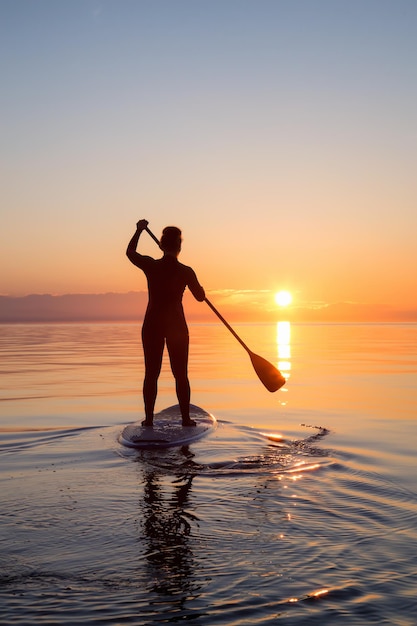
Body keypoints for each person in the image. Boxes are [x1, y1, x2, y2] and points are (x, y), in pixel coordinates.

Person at [126, 219, 205, 427]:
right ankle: (186, 420)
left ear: (162, 245)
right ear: (179, 246)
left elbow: (130, 252)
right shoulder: (186, 271)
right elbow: (200, 296)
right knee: (181, 375)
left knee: (151, 374)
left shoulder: (152, 265)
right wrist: (197, 286)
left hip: (152, 324)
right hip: (177, 327)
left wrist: (139, 231)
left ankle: (149, 420)